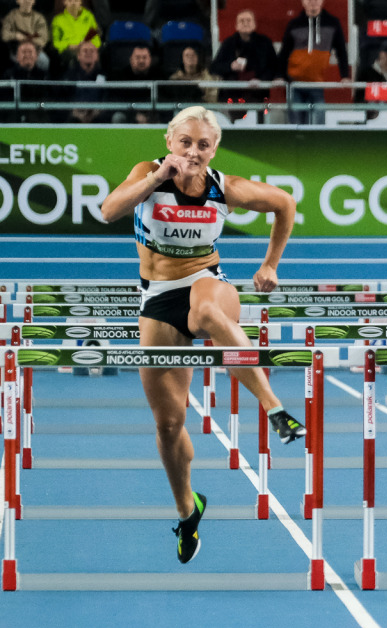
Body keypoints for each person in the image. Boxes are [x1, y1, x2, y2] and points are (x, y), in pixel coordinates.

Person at [98, 106, 307, 564]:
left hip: (207, 280)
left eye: (203, 145)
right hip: (157, 296)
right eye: (186, 142)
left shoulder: (223, 187)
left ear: (215, 150)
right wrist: (156, 179)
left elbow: (284, 204)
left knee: (209, 308)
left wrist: (270, 264)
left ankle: (275, 409)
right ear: (170, 142)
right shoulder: (147, 172)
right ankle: (188, 510)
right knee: (169, 424)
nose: (193, 151)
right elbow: (109, 211)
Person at [279, 0, 350, 125]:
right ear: (303, 2)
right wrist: (279, 76)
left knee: (318, 122)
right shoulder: (294, 24)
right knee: (296, 125)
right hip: (295, 84)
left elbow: (341, 51)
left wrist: (345, 76)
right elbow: (284, 53)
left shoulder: (333, 23)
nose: (313, 2)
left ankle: (317, 144)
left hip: (317, 83)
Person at [210, 9, 277, 117]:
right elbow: (214, 68)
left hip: (257, 97)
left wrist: (261, 80)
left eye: (248, 20)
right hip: (232, 98)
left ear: (254, 24)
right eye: (242, 21)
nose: (245, 23)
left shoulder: (265, 43)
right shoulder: (228, 43)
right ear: (236, 26)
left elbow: (273, 67)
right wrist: (230, 66)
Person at [354, 39, 387, 123]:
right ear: (380, 54)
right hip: (371, 120)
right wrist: (374, 115)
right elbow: (359, 100)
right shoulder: (366, 74)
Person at [1, 38, 50, 121]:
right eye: (23, 52)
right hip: (13, 120)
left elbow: (46, 101)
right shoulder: (9, 76)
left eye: (30, 52)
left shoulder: (44, 77)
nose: (27, 55)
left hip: (37, 120)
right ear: (17, 57)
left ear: (36, 56)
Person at [109, 44, 159, 124]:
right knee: (118, 117)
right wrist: (134, 115)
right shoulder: (121, 76)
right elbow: (118, 102)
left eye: (144, 57)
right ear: (131, 60)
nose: (141, 61)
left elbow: (163, 99)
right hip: (129, 114)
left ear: (150, 60)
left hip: (152, 114)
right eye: (138, 57)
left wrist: (148, 115)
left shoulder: (158, 75)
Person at [61, 39, 104, 123]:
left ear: (97, 56)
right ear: (78, 56)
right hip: (75, 115)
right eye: (85, 51)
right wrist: (73, 113)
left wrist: (98, 112)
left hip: (97, 116)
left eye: (92, 51)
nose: (88, 53)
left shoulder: (105, 75)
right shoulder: (69, 76)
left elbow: (106, 98)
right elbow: (64, 98)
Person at [2, 0, 51, 72]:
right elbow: (4, 35)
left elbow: (44, 39)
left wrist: (29, 40)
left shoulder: (39, 18)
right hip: (15, 51)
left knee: (44, 60)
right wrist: (16, 35)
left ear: (34, 1)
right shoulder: (11, 16)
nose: (27, 1)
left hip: (35, 51)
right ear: (18, 1)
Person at [49, 0, 99, 67]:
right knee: (75, 58)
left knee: (95, 55)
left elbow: (96, 39)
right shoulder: (58, 20)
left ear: (80, 1)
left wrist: (88, 45)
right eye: (69, 1)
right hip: (69, 51)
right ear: (64, 2)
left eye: (76, 0)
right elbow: (55, 42)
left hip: (88, 48)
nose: (73, 3)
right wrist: (68, 45)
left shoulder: (89, 16)